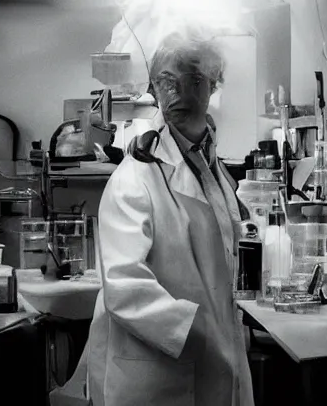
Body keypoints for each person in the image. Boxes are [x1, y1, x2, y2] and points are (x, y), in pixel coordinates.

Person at [86, 29, 253, 406]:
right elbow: (124, 285)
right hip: (157, 378)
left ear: (213, 85)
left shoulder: (212, 169)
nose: (178, 94)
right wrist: (196, 330)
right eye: (166, 82)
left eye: (193, 80)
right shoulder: (133, 179)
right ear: (153, 89)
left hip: (216, 361)